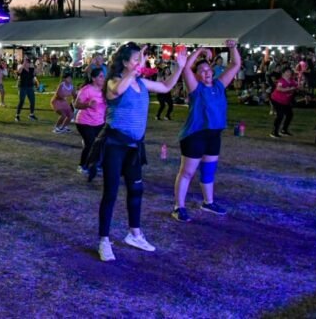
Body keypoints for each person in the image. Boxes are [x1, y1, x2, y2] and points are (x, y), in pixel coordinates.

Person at [96, 42, 187, 262]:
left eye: (140, 59)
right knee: (111, 193)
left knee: (136, 190)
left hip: (134, 147)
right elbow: (118, 90)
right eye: (136, 59)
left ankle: (135, 234)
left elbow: (165, 87)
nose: (140, 62)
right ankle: (104, 240)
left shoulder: (141, 83)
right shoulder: (113, 81)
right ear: (125, 62)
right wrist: (134, 71)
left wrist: (180, 67)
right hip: (115, 145)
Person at [172, 40, 240, 222]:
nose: (206, 72)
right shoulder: (196, 88)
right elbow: (186, 68)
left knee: (209, 171)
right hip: (195, 135)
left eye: (208, 69)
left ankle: (208, 202)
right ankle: (179, 207)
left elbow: (236, 64)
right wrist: (200, 50)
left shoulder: (219, 85)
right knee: (187, 173)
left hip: (213, 135)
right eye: (201, 70)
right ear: (196, 75)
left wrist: (232, 47)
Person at [75, 68, 106, 178]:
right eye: (100, 76)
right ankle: (82, 165)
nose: (103, 78)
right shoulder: (86, 90)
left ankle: (96, 165)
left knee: (100, 144)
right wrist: (88, 104)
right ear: (93, 78)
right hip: (84, 122)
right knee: (91, 143)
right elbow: (76, 105)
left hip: (99, 122)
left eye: (103, 76)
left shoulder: (105, 89)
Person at [270, 68, 298, 138]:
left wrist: (300, 83)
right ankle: (274, 132)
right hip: (276, 100)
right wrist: (290, 89)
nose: (289, 73)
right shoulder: (281, 81)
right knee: (280, 115)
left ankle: (284, 130)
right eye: (287, 72)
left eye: (290, 72)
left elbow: (297, 86)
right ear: (283, 73)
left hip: (285, 101)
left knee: (289, 114)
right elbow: (279, 88)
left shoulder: (291, 80)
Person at [14, 56, 38, 122]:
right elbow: (19, 72)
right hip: (23, 87)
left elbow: (38, 71)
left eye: (28, 62)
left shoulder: (31, 69)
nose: (28, 63)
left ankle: (31, 114)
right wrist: (24, 63)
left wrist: (40, 62)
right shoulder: (21, 68)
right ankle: (17, 115)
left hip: (30, 87)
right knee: (21, 101)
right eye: (27, 62)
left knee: (32, 101)